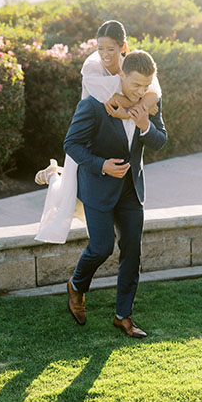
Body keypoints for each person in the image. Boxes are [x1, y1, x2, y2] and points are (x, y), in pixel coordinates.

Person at [64, 49, 167, 337]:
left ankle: (123, 316)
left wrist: (145, 124)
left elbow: (160, 141)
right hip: (98, 186)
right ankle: (76, 285)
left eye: (146, 85)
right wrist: (102, 166)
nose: (141, 91)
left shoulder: (151, 100)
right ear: (122, 74)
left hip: (131, 189)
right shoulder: (95, 104)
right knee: (102, 247)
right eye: (135, 85)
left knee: (132, 251)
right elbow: (71, 144)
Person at [34, 20, 161, 243]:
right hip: (91, 133)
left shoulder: (133, 66)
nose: (104, 55)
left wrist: (128, 110)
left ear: (123, 47)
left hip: (115, 136)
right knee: (66, 192)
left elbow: (154, 94)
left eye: (110, 49)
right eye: (100, 48)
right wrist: (139, 108)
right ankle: (53, 173)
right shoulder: (91, 67)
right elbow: (112, 100)